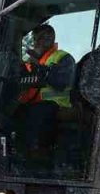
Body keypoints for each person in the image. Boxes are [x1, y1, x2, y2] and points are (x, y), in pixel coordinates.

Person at [9, 23, 75, 161]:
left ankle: (34, 157)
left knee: (37, 113)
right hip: (32, 104)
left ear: (51, 38)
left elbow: (61, 82)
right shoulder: (31, 60)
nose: (38, 42)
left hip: (56, 105)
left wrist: (40, 69)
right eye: (36, 38)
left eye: (43, 38)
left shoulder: (63, 58)